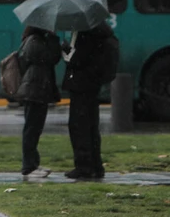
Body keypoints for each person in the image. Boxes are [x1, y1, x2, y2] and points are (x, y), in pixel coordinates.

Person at [62, 22, 117, 180]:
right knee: (92, 126)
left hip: (81, 84)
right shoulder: (101, 32)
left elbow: (75, 59)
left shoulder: (85, 33)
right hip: (92, 84)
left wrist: (65, 49)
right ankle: (95, 165)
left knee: (79, 126)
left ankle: (83, 166)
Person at [15, 25, 62, 179]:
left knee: (34, 129)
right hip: (35, 90)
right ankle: (29, 166)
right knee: (32, 129)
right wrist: (54, 40)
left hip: (37, 89)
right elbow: (52, 58)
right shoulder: (35, 41)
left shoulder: (34, 40)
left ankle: (32, 164)